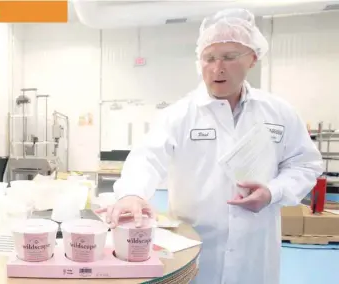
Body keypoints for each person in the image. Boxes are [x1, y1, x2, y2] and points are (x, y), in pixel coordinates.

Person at [97, 8, 323, 284]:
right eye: (209, 58)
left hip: (256, 252)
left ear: (252, 58)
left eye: (229, 57)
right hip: (196, 247)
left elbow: (304, 163)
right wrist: (131, 194)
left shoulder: (279, 112)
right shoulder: (179, 114)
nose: (218, 68)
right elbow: (147, 157)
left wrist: (273, 192)